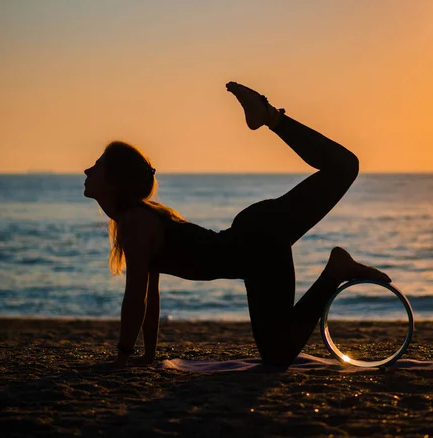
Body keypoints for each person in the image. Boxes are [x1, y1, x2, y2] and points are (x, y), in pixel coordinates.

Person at [83, 81, 391, 370]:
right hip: (255, 246)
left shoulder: (136, 223)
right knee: (276, 356)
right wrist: (147, 356)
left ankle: (269, 117)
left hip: (258, 242)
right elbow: (149, 297)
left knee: (345, 167)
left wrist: (122, 358)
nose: (86, 169)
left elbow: (136, 298)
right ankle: (335, 270)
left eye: (96, 166)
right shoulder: (138, 220)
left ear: (114, 182)